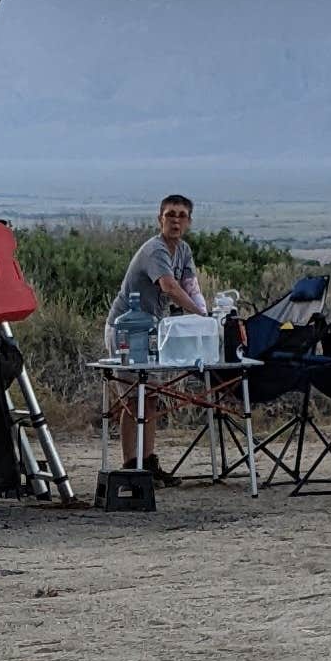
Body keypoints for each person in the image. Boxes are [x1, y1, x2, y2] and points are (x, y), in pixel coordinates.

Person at [106, 192, 209, 469]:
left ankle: (148, 462)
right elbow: (170, 287)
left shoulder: (183, 251)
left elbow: (190, 286)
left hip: (152, 330)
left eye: (181, 216)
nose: (175, 221)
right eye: (170, 215)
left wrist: (209, 317)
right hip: (126, 329)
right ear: (160, 219)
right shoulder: (156, 250)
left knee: (150, 396)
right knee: (132, 397)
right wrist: (199, 315)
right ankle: (130, 465)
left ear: (189, 221)